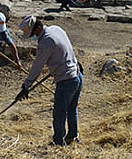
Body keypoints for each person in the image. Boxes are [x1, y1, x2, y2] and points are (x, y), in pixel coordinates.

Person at [16, 15, 83, 146]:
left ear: (39, 28)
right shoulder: (55, 28)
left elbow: (37, 67)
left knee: (59, 113)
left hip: (67, 80)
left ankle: (59, 143)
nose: (32, 38)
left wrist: (26, 86)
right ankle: (73, 136)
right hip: (77, 74)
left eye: (33, 34)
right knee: (71, 108)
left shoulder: (46, 41)